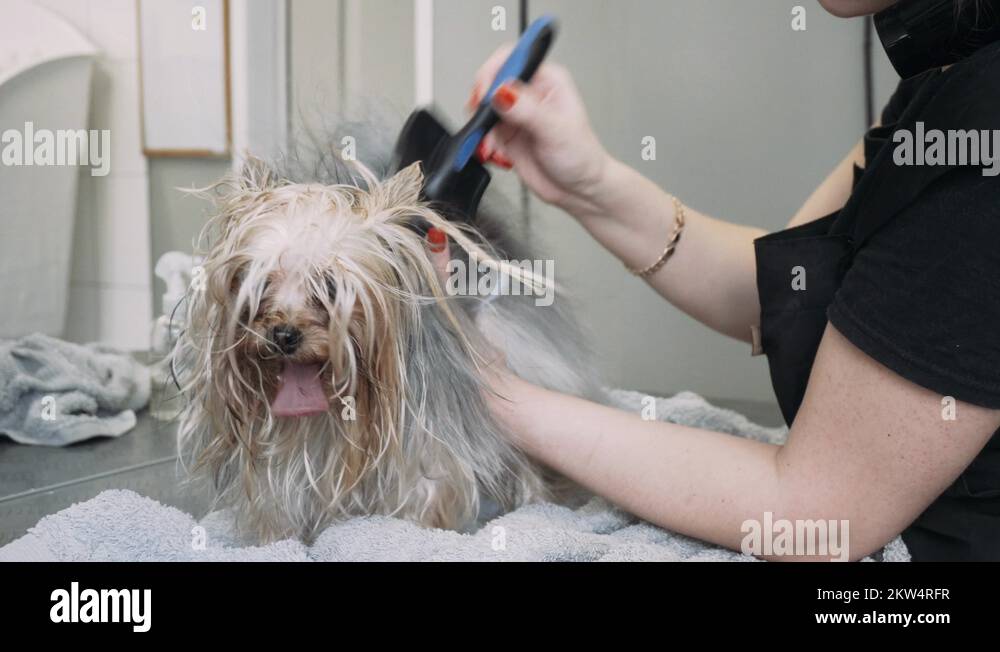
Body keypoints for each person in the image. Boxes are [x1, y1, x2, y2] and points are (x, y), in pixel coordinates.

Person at [458, 0, 1000, 561]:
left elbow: (819, 514)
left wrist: (490, 393)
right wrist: (587, 184)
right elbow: (787, 295)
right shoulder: (946, 77)